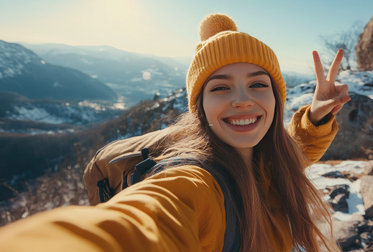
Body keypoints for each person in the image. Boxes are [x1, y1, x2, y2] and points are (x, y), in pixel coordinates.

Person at [0, 13, 350, 252]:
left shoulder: (263, 156)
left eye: (258, 84)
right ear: (199, 107)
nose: (243, 100)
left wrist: (315, 118)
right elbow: (139, 224)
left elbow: (293, 152)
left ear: (276, 97)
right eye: (220, 88)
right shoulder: (194, 182)